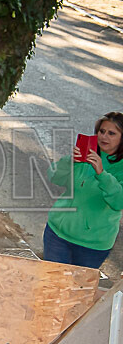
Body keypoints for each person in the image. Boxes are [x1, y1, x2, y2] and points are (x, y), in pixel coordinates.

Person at [44, 111, 123, 268]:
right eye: (102, 131)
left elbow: (118, 202)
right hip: (57, 235)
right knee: (52, 287)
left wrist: (102, 174)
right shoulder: (86, 152)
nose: (104, 137)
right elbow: (54, 177)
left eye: (111, 133)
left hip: (92, 246)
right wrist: (69, 161)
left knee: (77, 290)